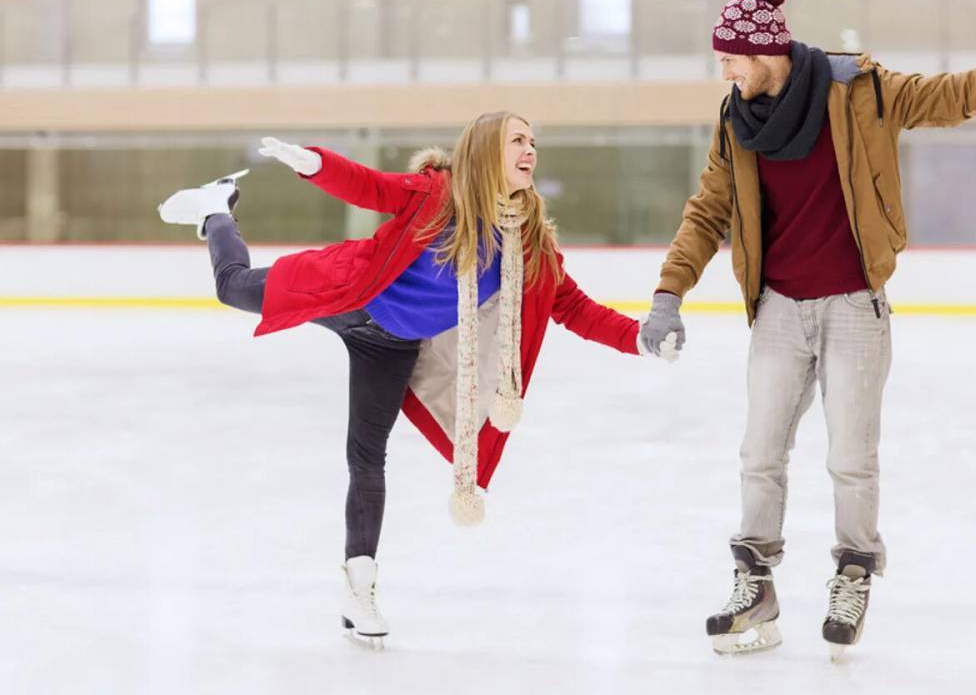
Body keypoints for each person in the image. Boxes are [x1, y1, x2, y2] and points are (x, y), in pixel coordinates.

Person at [637, 0, 976, 659]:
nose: (724, 70)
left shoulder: (859, 91)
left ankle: (854, 572)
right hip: (778, 307)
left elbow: (956, 95)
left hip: (854, 307)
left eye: (731, 57)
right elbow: (707, 210)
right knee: (760, 454)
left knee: (851, 458)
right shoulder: (735, 120)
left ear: (766, 51)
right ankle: (755, 580)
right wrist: (669, 292)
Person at [158, 111, 676, 649]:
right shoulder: (436, 193)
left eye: (534, 142)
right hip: (350, 292)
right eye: (518, 140)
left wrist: (637, 337)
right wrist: (315, 163)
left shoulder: (528, 246)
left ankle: (359, 587)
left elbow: (575, 307)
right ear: (483, 151)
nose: (531, 151)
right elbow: (371, 188)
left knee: (366, 455)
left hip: (389, 344)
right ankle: (216, 209)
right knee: (233, 288)